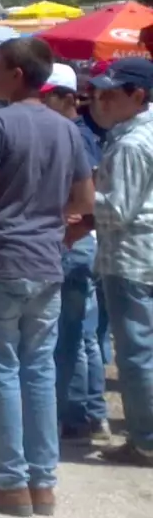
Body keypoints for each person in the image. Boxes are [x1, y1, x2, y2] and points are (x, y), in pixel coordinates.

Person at [0, 38, 94, 516]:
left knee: (1, 370)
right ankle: (43, 483)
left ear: (17, 74)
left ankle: (11, 482)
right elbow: (83, 202)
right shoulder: (68, 130)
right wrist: (49, 220)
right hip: (46, 260)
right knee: (39, 370)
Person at [88, 57, 153, 468]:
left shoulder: (131, 143)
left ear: (138, 96)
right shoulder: (136, 133)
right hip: (139, 256)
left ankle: (145, 440)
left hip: (130, 258)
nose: (101, 100)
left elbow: (116, 211)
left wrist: (79, 193)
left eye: (111, 93)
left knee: (135, 354)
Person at [40, 63, 109, 446]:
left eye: (45, 94)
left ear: (65, 97)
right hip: (85, 238)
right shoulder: (82, 133)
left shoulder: (74, 135)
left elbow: (86, 196)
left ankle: (75, 415)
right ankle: (92, 413)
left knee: (71, 335)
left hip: (74, 239)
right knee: (85, 335)